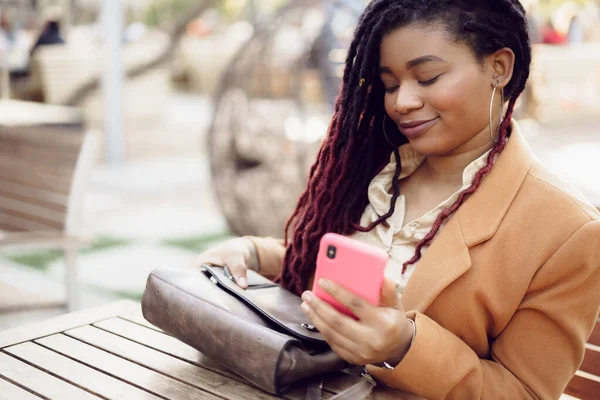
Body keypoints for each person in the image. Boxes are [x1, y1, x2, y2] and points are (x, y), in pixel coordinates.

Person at [196, 0, 600, 398]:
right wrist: (253, 253)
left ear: (499, 68)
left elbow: (525, 392)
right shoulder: (376, 169)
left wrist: (404, 346)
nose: (401, 102)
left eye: (426, 78)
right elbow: (333, 275)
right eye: (390, 84)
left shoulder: (567, 230)